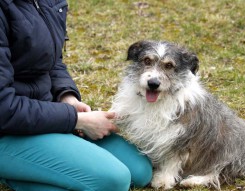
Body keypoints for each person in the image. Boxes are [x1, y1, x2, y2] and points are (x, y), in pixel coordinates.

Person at [0, 0, 152, 191]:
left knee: (140, 171)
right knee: (115, 180)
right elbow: (4, 108)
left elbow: (51, 61)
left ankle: (29, 171)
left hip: (43, 115)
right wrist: (76, 120)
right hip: (8, 130)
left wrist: (67, 97)